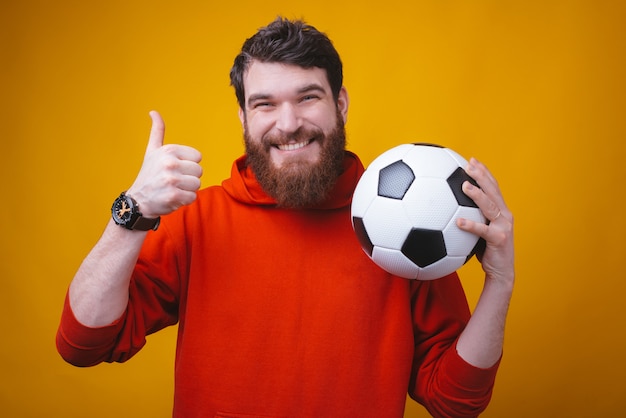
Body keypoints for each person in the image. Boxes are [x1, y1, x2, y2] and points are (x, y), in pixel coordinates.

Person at [57, 17, 515, 418]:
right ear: (243, 116)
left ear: (340, 103)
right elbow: (83, 343)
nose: (289, 122)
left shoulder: (407, 222)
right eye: (265, 104)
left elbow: (456, 403)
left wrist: (499, 281)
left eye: (308, 97)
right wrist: (131, 212)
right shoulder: (198, 219)